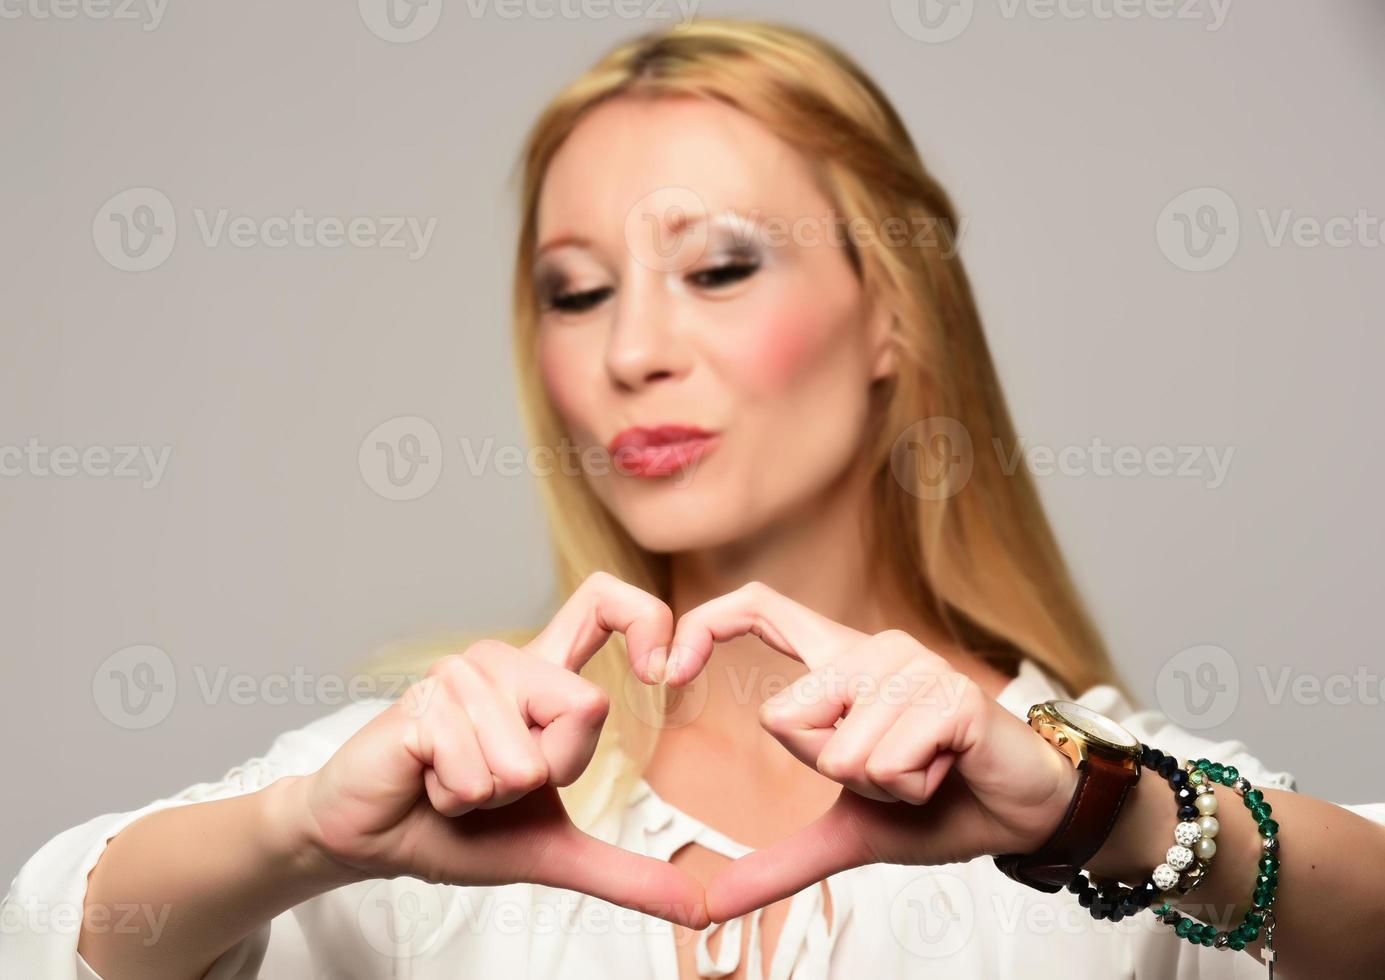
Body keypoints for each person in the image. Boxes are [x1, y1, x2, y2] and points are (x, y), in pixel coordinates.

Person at [5, 17, 1383, 980]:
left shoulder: (1100, 797)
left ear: (889, 315)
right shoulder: (441, 784)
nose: (628, 352)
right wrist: (296, 833)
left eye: (719, 269)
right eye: (575, 291)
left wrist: (1096, 818)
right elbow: (57, 935)